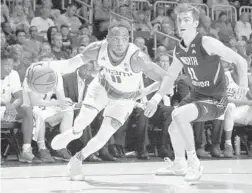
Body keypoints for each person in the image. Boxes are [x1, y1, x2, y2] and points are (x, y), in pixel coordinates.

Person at [29, 20, 168, 180]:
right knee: (83, 121)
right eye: (116, 38)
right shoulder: (97, 49)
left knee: (103, 137)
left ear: (128, 39)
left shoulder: (137, 58)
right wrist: (47, 64)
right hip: (102, 87)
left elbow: (166, 77)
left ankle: (77, 159)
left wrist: (153, 97)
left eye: (124, 38)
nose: (120, 43)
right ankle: (73, 132)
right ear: (108, 38)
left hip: (124, 99)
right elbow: (70, 64)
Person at [144, 4, 248, 182]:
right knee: (172, 127)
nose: (182, 23)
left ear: (195, 23)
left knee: (178, 114)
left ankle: (194, 162)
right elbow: (170, 76)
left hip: (216, 99)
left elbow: (240, 61)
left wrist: (243, 84)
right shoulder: (179, 49)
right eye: (179, 19)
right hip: (197, 95)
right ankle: (179, 164)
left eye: (186, 20)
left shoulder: (207, 42)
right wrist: (155, 98)